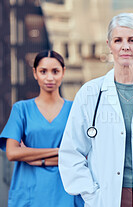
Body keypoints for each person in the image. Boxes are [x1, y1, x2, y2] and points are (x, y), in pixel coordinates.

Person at [58, 13, 133, 207]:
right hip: (106, 197)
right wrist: (92, 194)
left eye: (132, 40)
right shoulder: (90, 94)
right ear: (109, 45)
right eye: (118, 40)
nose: (125, 46)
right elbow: (71, 152)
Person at [0, 50, 83, 206]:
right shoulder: (21, 109)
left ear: (63, 72)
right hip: (30, 190)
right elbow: (12, 153)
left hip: (64, 190)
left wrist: (32, 156)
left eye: (55, 71)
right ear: (35, 73)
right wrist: (60, 152)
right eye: (43, 71)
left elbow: (83, 155)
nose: (49, 77)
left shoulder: (75, 110)